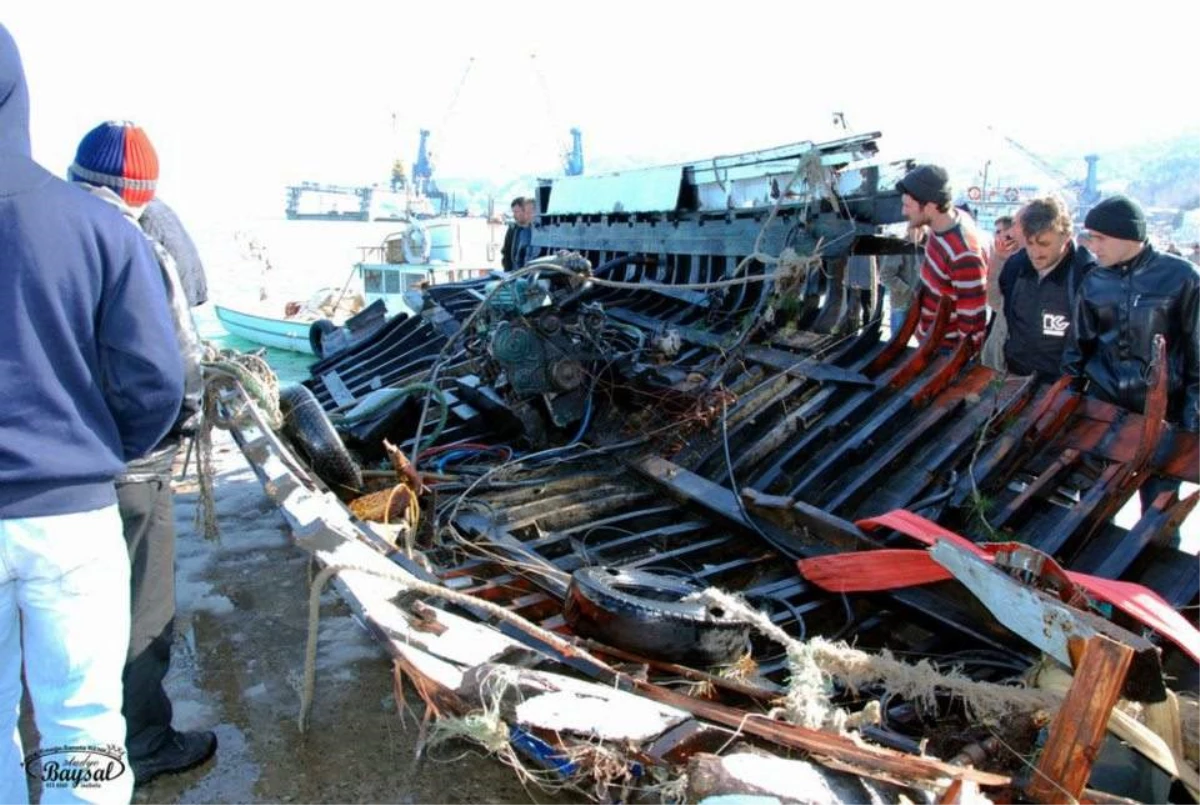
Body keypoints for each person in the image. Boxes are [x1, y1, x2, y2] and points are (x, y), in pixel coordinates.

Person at [0, 26, 184, 805]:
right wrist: (95, 448)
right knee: (82, 722)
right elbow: (155, 381)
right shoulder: (100, 229)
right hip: (71, 518)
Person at [68, 121, 217, 785]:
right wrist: (176, 428)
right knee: (143, 606)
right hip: (132, 463)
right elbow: (178, 365)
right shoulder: (135, 241)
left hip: (56, 466)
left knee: (72, 605)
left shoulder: (39, 229)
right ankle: (147, 741)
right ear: (140, 191)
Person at [1063, 195, 1200, 545]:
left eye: (1099, 237)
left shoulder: (1182, 277)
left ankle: (1148, 591)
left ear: (1127, 236)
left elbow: (1198, 354)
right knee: (1092, 513)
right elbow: (1077, 349)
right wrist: (1070, 407)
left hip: (1164, 419)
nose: (1091, 245)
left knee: (1159, 520)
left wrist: (1190, 423)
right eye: (1089, 237)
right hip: (1105, 411)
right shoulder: (1094, 281)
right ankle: (1086, 585)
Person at [996, 197, 1095, 380]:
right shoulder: (1015, 267)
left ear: (1065, 237)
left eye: (1044, 244)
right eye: (1030, 243)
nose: (1035, 253)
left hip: (1060, 389)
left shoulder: (1087, 277)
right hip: (1014, 375)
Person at [896, 165, 988, 352]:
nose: (903, 212)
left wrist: (956, 365)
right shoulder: (946, 221)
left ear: (930, 206)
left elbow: (972, 325)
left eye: (908, 206)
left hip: (944, 351)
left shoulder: (964, 255)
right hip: (929, 340)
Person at [501, 195, 534, 271]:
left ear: (524, 211)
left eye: (516, 212)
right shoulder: (512, 229)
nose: (514, 215)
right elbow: (506, 251)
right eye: (513, 212)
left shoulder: (534, 231)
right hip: (513, 273)